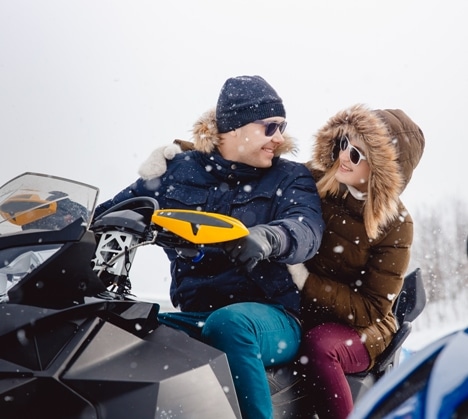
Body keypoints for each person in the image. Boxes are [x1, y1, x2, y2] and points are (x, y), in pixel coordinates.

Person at [94, 75, 324, 419]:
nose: (279, 138)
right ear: (234, 128)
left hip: (271, 316)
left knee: (230, 325)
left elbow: (307, 228)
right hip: (195, 313)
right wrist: (59, 215)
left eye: (282, 127)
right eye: (270, 127)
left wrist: (267, 237)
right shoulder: (178, 171)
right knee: (125, 333)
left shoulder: (289, 177)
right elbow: (113, 214)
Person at [290, 104, 425, 419]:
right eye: (342, 144)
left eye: (356, 154)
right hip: (302, 309)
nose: (343, 156)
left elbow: (372, 307)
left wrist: (306, 282)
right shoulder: (318, 179)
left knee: (320, 346)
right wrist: (183, 154)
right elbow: (255, 167)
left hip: (365, 327)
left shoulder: (396, 224)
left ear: (383, 169)